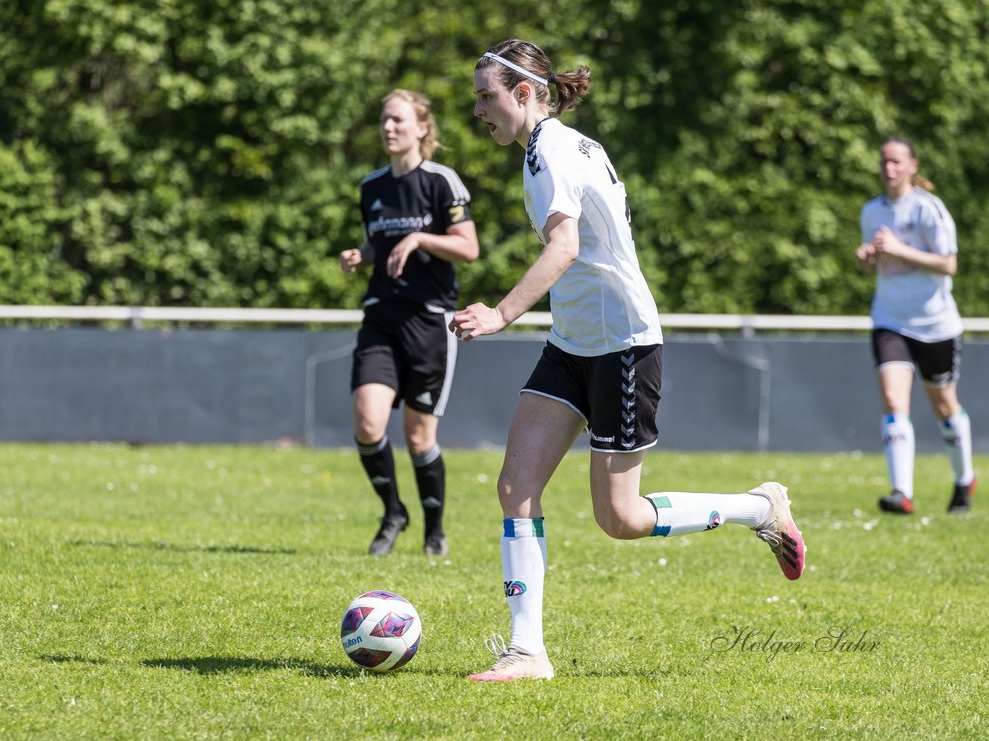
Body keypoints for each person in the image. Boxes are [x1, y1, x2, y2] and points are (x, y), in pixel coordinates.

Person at [451, 40, 806, 682]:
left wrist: (500, 314)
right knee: (516, 486)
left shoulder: (555, 150)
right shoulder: (555, 146)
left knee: (621, 519)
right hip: (572, 343)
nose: (477, 109)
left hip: (622, 346)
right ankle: (527, 651)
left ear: (525, 93)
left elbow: (564, 247)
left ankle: (759, 507)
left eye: (486, 96)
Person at [339, 89, 480, 557]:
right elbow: (381, 241)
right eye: (383, 120)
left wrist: (421, 237)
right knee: (367, 421)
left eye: (398, 119)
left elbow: (468, 247)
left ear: (422, 128)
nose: (388, 127)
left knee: (419, 437)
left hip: (429, 322)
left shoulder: (442, 182)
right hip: (380, 316)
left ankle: (434, 531)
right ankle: (393, 511)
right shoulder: (371, 186)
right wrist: (364, 254)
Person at [855, 137, 975, 516]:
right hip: (890, 321)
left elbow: (949, 264)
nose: (889, 168)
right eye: (884, 162)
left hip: (935, 324)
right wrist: (868, 258)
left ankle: (964, 479)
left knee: (944, 407)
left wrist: (896, 248)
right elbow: (878, 262)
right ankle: (901, 493)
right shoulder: (871, 211)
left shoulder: (929, 209)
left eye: (896, 162)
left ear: (912, 166)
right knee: (893, 399)